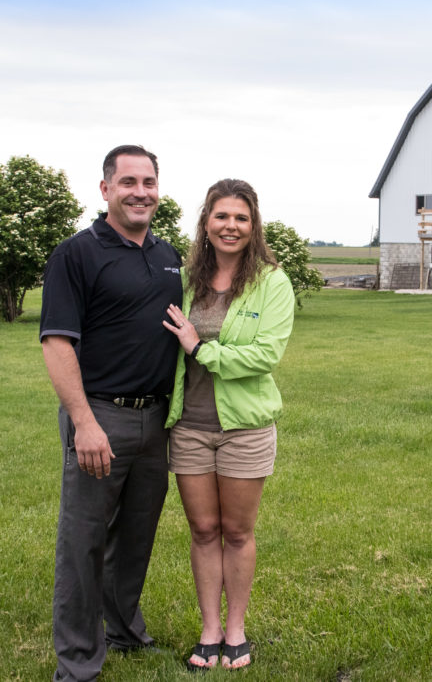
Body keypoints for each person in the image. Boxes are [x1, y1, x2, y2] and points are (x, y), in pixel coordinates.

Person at [40, 145, 182, 682]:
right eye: (128, 182)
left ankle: (125, 631)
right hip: (101, 416)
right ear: (105, 189)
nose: (139, 191)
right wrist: (84, 422)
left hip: (156, 420)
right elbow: (56, 343)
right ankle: (77, 663)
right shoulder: (76, 254)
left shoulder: (167, 255)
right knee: (84, 540)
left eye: (148, 181)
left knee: (136, 536)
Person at [161, 178, 295, 671]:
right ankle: (210, 629)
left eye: (241, 218)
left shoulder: (272, 282)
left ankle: (236, 628)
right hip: (190, 426)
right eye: (221, 216)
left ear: (253, 224)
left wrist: (200, 348)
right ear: (206, 222)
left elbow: (264, 355)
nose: (230, 226)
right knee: (202, 529)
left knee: (237, 532)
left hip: (245, 428)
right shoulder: (186, 279)